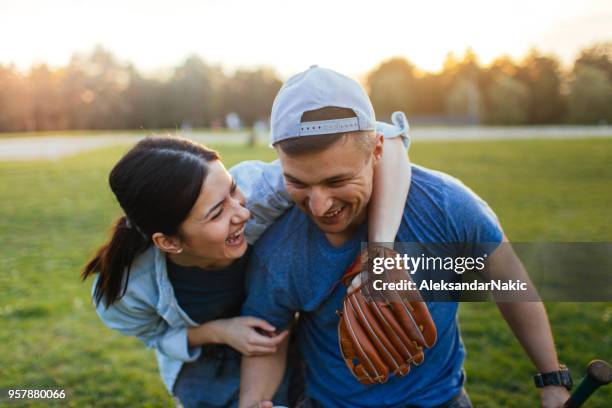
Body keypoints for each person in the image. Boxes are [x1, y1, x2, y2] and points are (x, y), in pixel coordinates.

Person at [238, 66, 571, 408]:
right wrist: (253, 401)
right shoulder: (279, 246)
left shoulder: (446, 206)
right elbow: (268, 339)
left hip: (442, 400)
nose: (319, 206)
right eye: (298, 183)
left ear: (377, 150)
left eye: (337, 182)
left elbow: (510, 283)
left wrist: (552, 380)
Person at [82, 111, 411, 407]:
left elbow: (387, 139)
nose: (241, 212)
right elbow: (156, 337)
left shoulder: (258, 194)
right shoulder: (127, 290)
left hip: (282, 344)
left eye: (232, 190)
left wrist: (380, 253)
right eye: (216, 213)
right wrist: (219, 331)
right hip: (204, 367)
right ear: (168, 241)